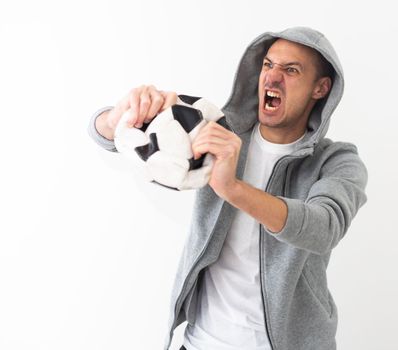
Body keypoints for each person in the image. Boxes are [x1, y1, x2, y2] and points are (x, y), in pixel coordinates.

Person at [88, 26, 368, 350]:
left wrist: (233, 188)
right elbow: (109, 138)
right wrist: (117, 118)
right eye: (268, 65)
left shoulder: (337, 160)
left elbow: (323, 228)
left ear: (320, 88)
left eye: (291, 70)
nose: (272, 78)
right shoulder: (217, 130)